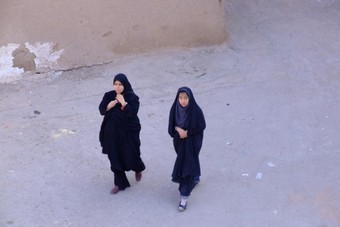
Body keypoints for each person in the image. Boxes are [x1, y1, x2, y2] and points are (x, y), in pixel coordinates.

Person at [99, 73, 145, 194]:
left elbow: (132, 115)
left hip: (128, 134)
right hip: (112, 133)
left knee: (132, 154)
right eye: (115, 84)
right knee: (114, 157)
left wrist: (124, 103)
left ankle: (138, 168)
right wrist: (109, 106)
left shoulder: (133, 98)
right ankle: (119, 183)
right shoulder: (109, 95)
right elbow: (101, 109)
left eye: (120, 84)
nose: (117, 87)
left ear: (125, 85)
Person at [168, 87, 206, 211]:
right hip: (179, 141)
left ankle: (183, 198)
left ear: (190, 98)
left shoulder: (196, 111)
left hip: (193, 141)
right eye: (180, 98)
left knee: (185, 167)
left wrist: (188, 133)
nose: (183, 101)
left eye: (185, 98)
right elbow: (170, 130)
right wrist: (179, 130)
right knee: (190, 163)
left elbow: (202, 125)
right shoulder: (174, 110)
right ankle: (195, 177)